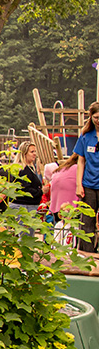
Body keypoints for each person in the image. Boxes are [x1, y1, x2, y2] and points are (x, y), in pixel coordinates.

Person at [74, 102, 99, 253]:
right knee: (87, 222)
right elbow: (81, 160)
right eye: (96, 117)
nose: (98, 120)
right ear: (91, 117)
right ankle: (87, 253)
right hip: (89, 185)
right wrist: (79, 184)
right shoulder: (85, 136)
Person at [10, 141, 42, 215]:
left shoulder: (27, 168)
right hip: (23, 207)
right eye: (32, 152)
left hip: (26, 206)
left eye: (35, 151)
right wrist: (40, 191)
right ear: (24, 153)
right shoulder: (23, 170)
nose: (34, 154)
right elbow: (24, 189)